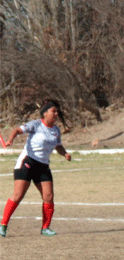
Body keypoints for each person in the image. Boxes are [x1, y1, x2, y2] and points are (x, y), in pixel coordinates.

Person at [0, 100, 72, 237]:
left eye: (57, 111)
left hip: (43, 166)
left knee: (48, 196)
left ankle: (45, 228)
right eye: (53, 111)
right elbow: (17, 130)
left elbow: (58, 146)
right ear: (45, 113)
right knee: (18, 195)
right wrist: (10, 140)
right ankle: (3, 224)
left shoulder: (56, 130)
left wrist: (65, 154)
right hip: (27, 162)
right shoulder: (36, 124)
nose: (56, 114)